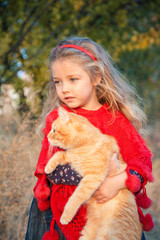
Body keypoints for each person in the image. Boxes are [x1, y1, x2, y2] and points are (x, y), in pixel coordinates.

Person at [25, 36, 154, 240]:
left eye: (73, 79)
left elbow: (142, 162)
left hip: (110, 216)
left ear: (96, 77)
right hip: (62, 212)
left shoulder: (115, 120)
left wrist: (119, 180)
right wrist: (100, 172)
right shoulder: (58, 119)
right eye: (58, 82)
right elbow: (50, 170)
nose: (64, 88)